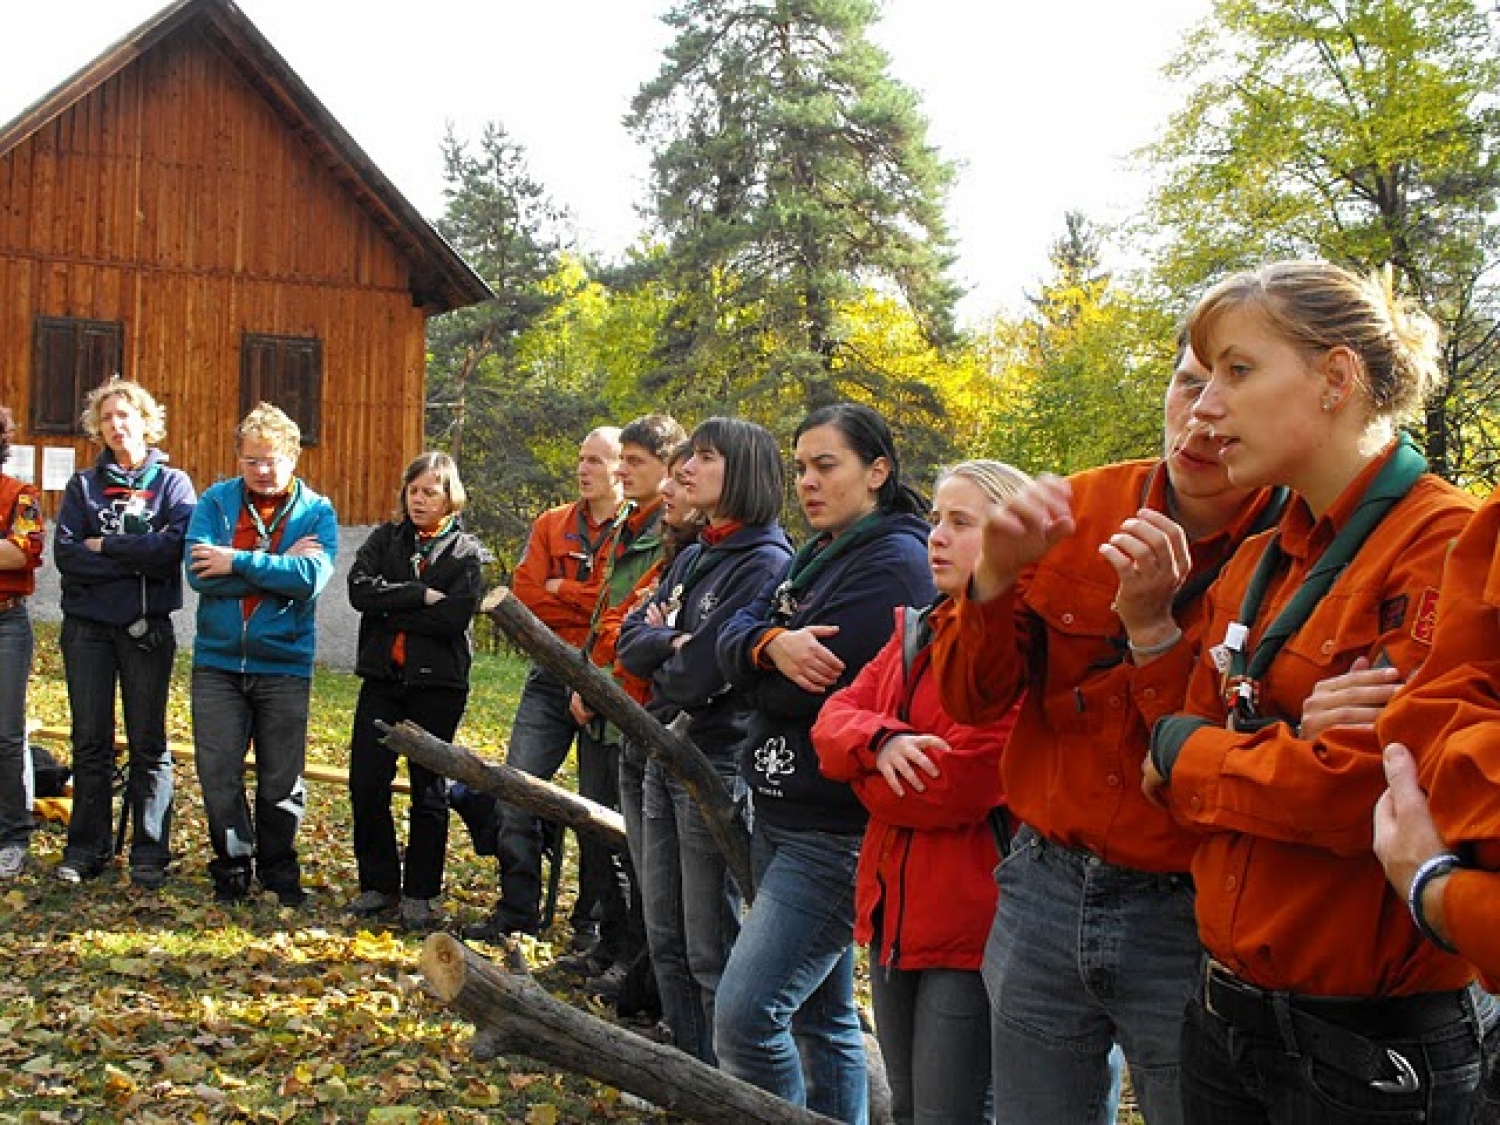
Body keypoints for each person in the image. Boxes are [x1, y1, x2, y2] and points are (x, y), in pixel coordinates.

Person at [1144, 261, 1490, 1122]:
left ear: (1336, 378)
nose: (1204, 407)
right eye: (1204, 377)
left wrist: (1197, 747)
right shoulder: (1259, 558)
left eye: (1237, 370)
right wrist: (1283, 731)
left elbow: (1360, 794)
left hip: (1366, 1051)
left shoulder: (1446, 546)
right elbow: (1159, 769)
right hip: (1222, 1016)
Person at [928, 340, 1288, 1125]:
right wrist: (990, 582)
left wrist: (1153, 629)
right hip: (1045, 890)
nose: (1201, 413)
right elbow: (971, 701)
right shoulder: (1078, 509)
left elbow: (1222, 753)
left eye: (1234, 383)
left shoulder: (1297, 548)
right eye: (1187, 384)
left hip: (1195, 906)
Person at [715, 403, 936, 1124]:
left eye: (826, 465)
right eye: (801, 467)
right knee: (821, 1016)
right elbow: (732, 637)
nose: (806, 482)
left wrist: (757, 661)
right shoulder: (817, 553)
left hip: (835, 830)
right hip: (781, 807)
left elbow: (806, 693)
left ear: (877, 471)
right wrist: (769, 644)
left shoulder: (895, 564)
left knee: (747, 1017)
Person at [812, 459, 1027, 1125]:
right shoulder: (919, 629)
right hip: (893, 915)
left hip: (971, 928)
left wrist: (863, 770)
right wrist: (880, 743)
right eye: (936, 518)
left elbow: (950, 786)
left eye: (960, 522)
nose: (936, 535)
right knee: (908, 1108)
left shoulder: (1022, 646)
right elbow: (831, 721)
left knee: (948, 1114)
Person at [617, 417, 792, 1062]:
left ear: (743, 471)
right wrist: (673, 642)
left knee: (709, 942)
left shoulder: (767, 562)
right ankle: (686, 1070)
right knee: (663, 932)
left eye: (705, 456)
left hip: (716, 759)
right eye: (688, 454)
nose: (686, 467)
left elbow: (701, 676)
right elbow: (631, 645)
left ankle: (724, 1081)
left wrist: (672, 650)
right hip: (662, 749)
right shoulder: (694, 554)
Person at [464, 426, 623, 944]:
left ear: (621, 467)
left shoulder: (637, 530)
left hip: (606, 681)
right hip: (548, 674)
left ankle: (592, 926)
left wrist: (566, 589)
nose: (583, 469)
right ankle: (517, 914)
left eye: (596, 460)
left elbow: (617, 606)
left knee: (600, 812)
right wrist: (582, 595)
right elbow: (528, 596)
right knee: (516, 790)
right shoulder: (552, 523)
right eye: (581, 458)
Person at [1373, 485, 1500, 1119]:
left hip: (1393, 1013)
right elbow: (1429, 714)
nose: (1202, 434)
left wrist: (1439, 891)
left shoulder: (1437, 525)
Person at [186, 402, 337, 906]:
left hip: (284, 664)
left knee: (281, 779)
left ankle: (278, 870)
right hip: (218, 663)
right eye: (252, 460)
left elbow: (310, 579)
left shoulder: (317, 511)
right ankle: (232, 866)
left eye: (271, 460)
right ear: (239, 459)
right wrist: (276, 566)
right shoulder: (215, 502)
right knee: (218, 773)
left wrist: (236, 561)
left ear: (293, 457)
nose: (262, 471)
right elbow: (198, 574)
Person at [53, 380, 197, 889]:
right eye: (107, 417)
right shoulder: (82, 487)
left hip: (145, 630)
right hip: (87, 629)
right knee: (90, 741)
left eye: (125, 415)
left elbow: (172, 550)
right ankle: (85, 849)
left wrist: (105, 546)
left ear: (145, 421)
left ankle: (149, 853)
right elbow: (67, 555)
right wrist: (134, 557)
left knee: (148, 743)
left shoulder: (173, 484)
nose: (116, 425)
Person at [560, 414, 686, 990]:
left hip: (633, 707)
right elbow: (603, 614)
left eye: (635, 462)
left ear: (669, 467)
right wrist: (586, 679)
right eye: (623, 459)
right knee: (596, 828)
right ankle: (608, 945)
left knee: (632, 844)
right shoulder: (626, 525)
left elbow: (642, 622)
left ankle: (634, 962)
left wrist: (604, 685)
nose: (621, 471)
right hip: (599, 702)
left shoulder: (673, 531)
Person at [345, 452, 486, 931]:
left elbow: (454, 617)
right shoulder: (385, 539)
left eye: (431, 492)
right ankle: (378, 884)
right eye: (414, 491)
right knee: (367, 783)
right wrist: (419, 595)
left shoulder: (465, 553)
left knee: (428, 791)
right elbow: (360, 593)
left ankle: (420, 894)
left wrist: (390, 608)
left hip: (438, 686)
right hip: (382, 680)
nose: (420, 500)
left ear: (450, 497)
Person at [0, 405, 45, 879]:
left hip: (5, 625)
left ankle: (12, 835)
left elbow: (21, 552)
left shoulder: (21, 495)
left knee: (5, 734)